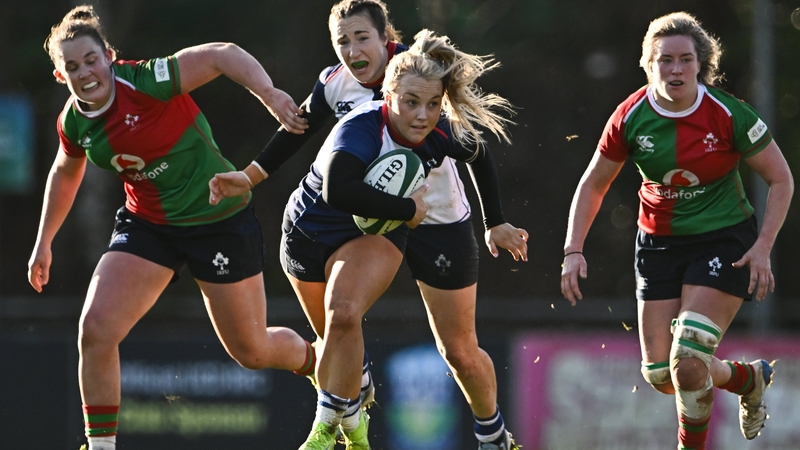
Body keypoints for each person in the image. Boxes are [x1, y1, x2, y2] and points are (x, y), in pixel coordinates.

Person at [208, 1, 527, 449]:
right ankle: (345, 415)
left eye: (362, 38)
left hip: (436, 220)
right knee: (339, 324)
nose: (353, 50)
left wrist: (496, 221)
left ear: (385, 39)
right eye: (342, 41)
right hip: (370, 218)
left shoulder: (419, 76)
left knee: (458, 349)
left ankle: (493, 434)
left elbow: (475, 147)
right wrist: (250, 176)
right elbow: (296, 130)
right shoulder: (338, 89)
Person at [28, 6, 313, 450]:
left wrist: (270, 93)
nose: (84, 72)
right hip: (149, 225)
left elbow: (222, 54)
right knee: (96, 328)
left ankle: (321, 362)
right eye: (72, 67)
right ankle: (100, 446)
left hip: (219, 219)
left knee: (252, 351)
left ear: (108, 56)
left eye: (90, 59)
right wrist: (44, 241)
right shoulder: (74, 121)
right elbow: (66, 172)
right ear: (61, 76)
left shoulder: (144, 81)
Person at [560, 11, 793, 450]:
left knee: (688, 358)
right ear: (648, 64)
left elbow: (782, 179)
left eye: (685, 59)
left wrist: (763, 247)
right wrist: (574, 249)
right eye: (664, 60)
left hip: (725, 240)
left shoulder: (727, 114)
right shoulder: (630, 116)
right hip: (658, 243)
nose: (675, 69)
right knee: (663, 376)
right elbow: (594, 183)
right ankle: (747, 378)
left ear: (700, 64)